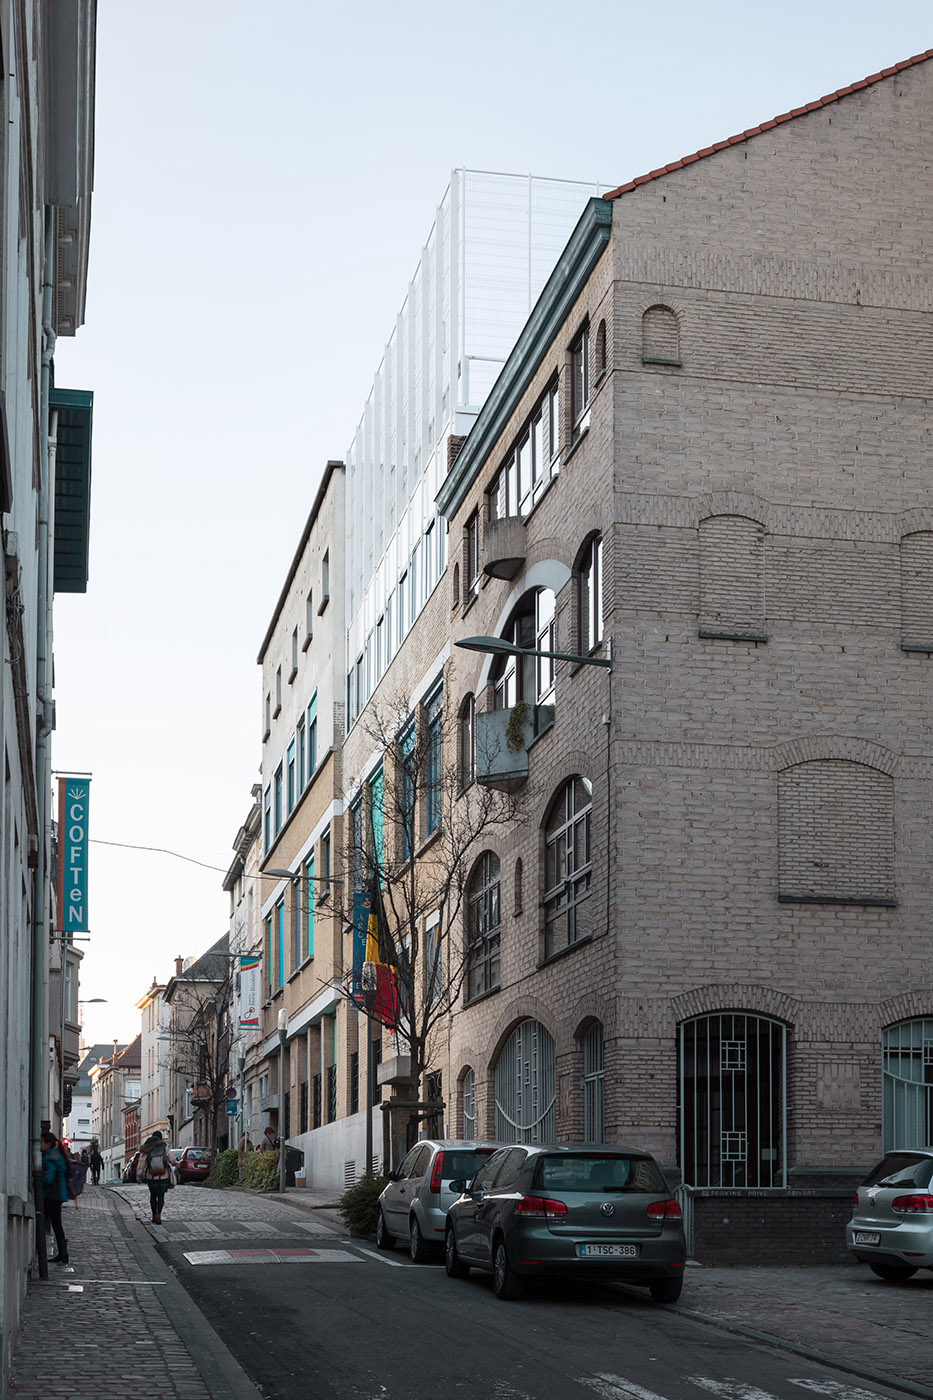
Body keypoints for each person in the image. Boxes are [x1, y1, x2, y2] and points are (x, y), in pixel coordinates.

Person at [40, 1131, 69, 1265]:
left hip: (51, 1195)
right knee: (57, 1225)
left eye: (42, 1142)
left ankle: (42, 1252)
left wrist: (38, 1179)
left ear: (48, 1143)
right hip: (57, 1195)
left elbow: (48, 1179)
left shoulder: (50, 1158)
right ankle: (63, 1254)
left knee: (41, 1223)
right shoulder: (56, 1156)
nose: (40, 1145)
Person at [138, 1130, 172, 1224]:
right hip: (163, 1176)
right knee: (161, 1196)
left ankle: (153, 1216)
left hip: (151, 1177)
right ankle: (158, 1216)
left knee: (153, 1196)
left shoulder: (147, 1149)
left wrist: (139, 1174)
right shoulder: (164, 1148)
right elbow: (172, 1159)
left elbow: (142, 1163)